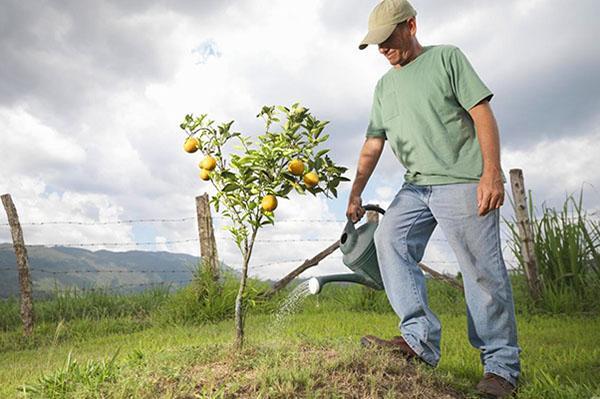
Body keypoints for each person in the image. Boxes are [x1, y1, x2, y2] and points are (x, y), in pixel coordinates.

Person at [345, 0, 521, 397]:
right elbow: (374, 142)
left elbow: (481, 114)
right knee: (388, 240)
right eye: (377, 43)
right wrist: (356, 189)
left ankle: (501, 368)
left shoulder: (447, 59)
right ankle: (418, 341)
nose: (383, 49)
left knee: (480, 271)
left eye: (388, 39)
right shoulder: (384, 87)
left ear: (410, 25)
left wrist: (491, 172)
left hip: (462, 179)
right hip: (415, 186)